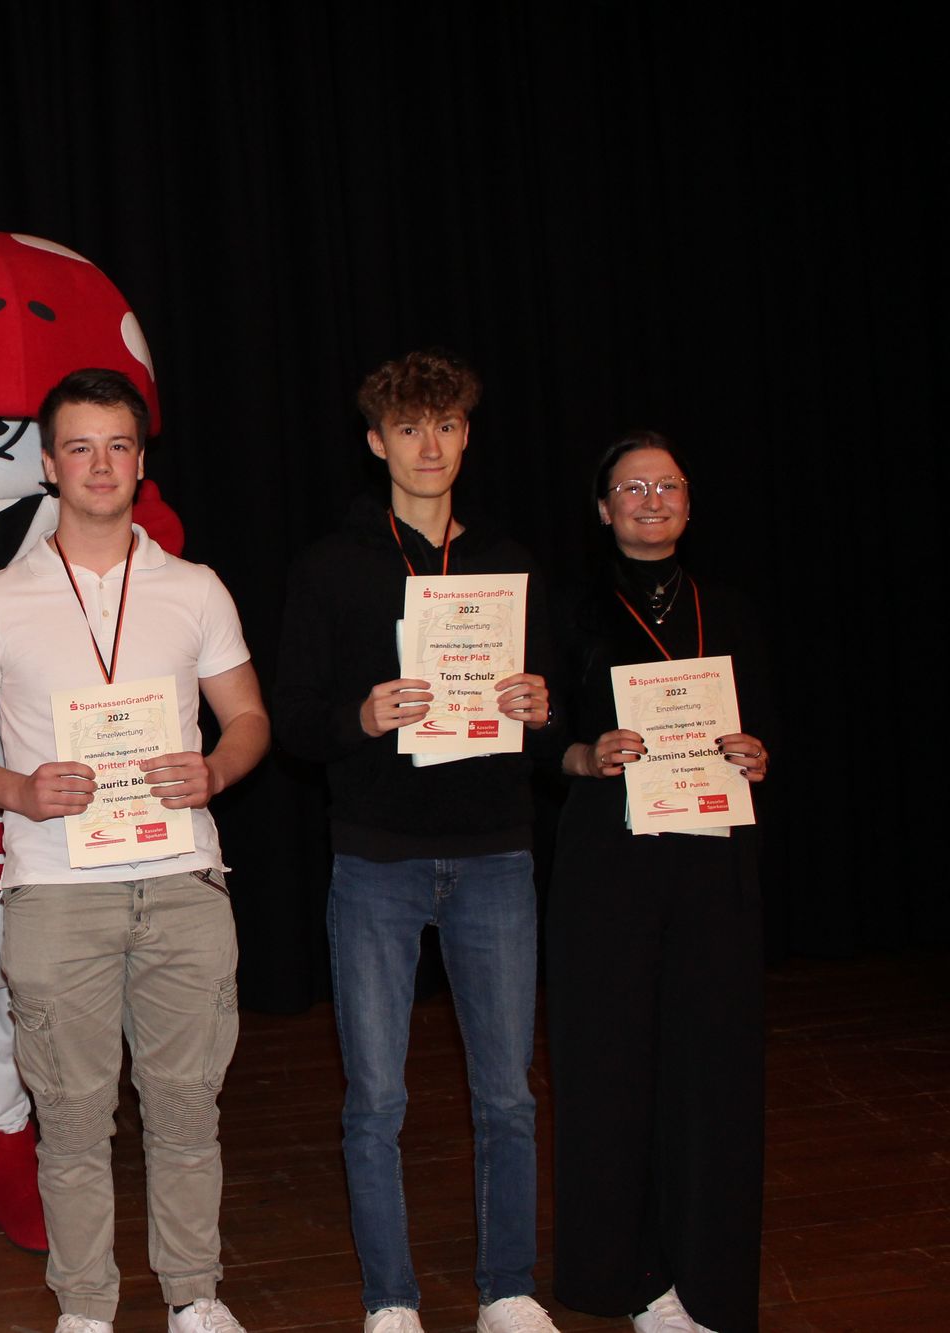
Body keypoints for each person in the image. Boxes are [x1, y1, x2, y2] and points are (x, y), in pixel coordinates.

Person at [0, 368, 270, 1333]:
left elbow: (248, 717)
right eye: (80, 446)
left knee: (187, 1111)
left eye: (119, 445)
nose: (101, 464)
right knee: (72, 1122)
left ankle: (195, 1296)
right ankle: (83, 1308)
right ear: (49, 465)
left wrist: (216, 768)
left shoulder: (195, 587)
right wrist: (19, 789)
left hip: (183, 883)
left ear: (142, 460)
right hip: (55, 891)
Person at [269, 350, 559, 1333]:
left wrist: (539, 708)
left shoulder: (509, 563)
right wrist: (359, 714)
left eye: (444, 425)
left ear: (466, 436)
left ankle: (506, 1288)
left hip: (495, 851)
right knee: (375, 1100)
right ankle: (390, 1298)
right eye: (407, 428)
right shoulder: (329, 566)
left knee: (507, 1095)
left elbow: (551, 719)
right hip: (375, 858)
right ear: (374, 442)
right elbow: (295, 719)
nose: (428, 445)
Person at [547, 433, 771, 1333]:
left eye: (666, 485)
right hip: (609, 867)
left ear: (687, 502)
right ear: (604, 508)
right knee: (610, 1070)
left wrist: (757, 752)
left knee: (712, 1074)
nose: (650, 499)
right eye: (631, 487)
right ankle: (625, 1276)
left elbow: (770, 724)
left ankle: (707, 1276)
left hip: (712, 862)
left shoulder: (733, 609)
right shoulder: (569, 609)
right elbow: (539, 736)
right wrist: (582, 753)